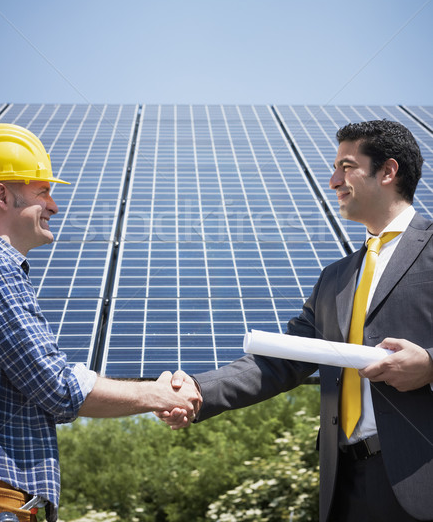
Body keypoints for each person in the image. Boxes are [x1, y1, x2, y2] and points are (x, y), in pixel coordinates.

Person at [159, 119, 433, 522]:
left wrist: (429, 365)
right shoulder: (335, 279)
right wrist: (199, 390)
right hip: (346, 487)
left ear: (388, 171)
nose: (333, 180)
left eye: (346, 166)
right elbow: (281, 361)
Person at [0, 124, 202, 522]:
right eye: (42, 191)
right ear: (1, 195)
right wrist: (157, 395)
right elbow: (57, 388)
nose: (54, 205)